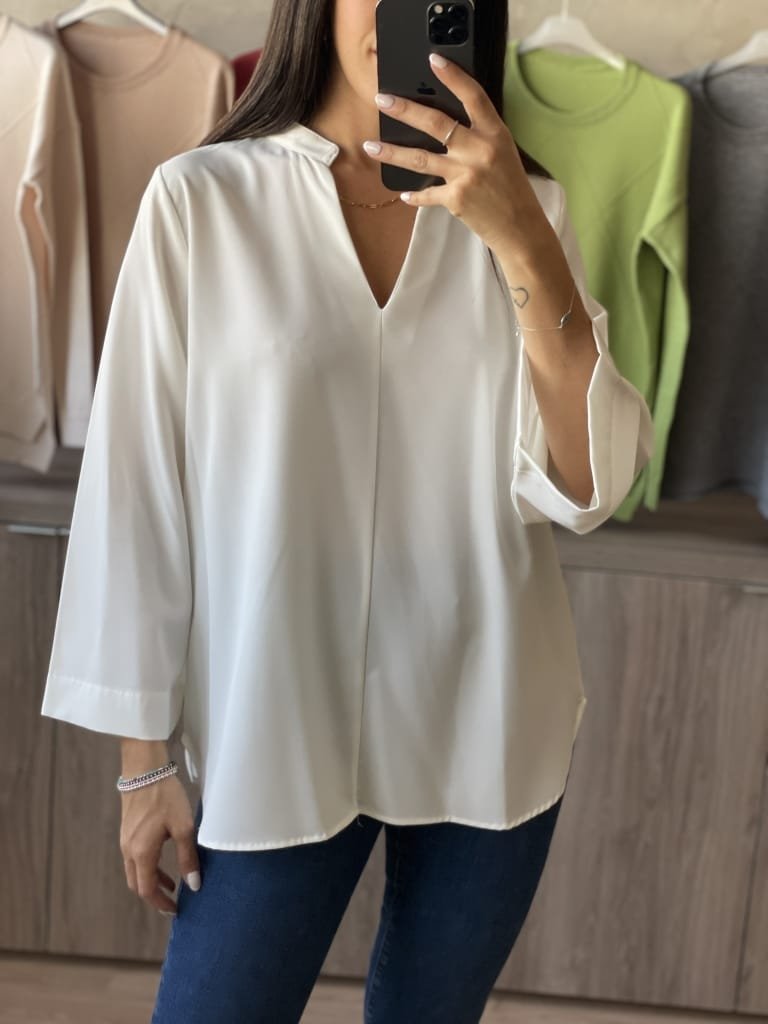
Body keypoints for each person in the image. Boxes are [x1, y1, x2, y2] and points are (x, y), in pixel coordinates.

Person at [40, 1, 654, 1021]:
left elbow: (592, 483)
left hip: (487, 715)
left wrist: (520, 237)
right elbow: (136, 490)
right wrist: (142, 764)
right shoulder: (203, 202)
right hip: (272, 723)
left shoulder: (525, 208)